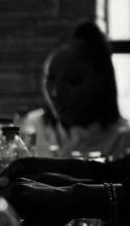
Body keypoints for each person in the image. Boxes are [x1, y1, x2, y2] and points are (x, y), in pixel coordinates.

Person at [19, 21, 130, 158]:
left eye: (73, 80)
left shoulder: (122, 141)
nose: (56, 93)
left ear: (100, 81)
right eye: (51, 78)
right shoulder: (30, 129)